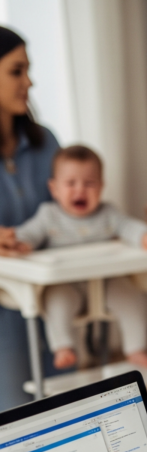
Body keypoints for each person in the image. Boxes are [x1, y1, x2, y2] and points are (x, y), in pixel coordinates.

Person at [0, 145, 147, 369]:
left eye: (89, 183)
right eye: (70, 183)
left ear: (101, 187)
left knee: (131, 297)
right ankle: (63, 347)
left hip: (107, 281)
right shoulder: (48, 215)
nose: (80, 190)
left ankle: (136, 348)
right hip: (67, 284)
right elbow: (30, 233)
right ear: (54, 188)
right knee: (56, 301)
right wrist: (20, 243)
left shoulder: (108, 213)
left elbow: (129, 226)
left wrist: (145, 236)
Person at [0, 26, 59, 410]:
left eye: (28, 70)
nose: (29, 82)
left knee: (64, 404)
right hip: (4, 311)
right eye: (16, 71)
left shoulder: (46, 142)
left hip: (52, 302)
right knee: (14, 414)